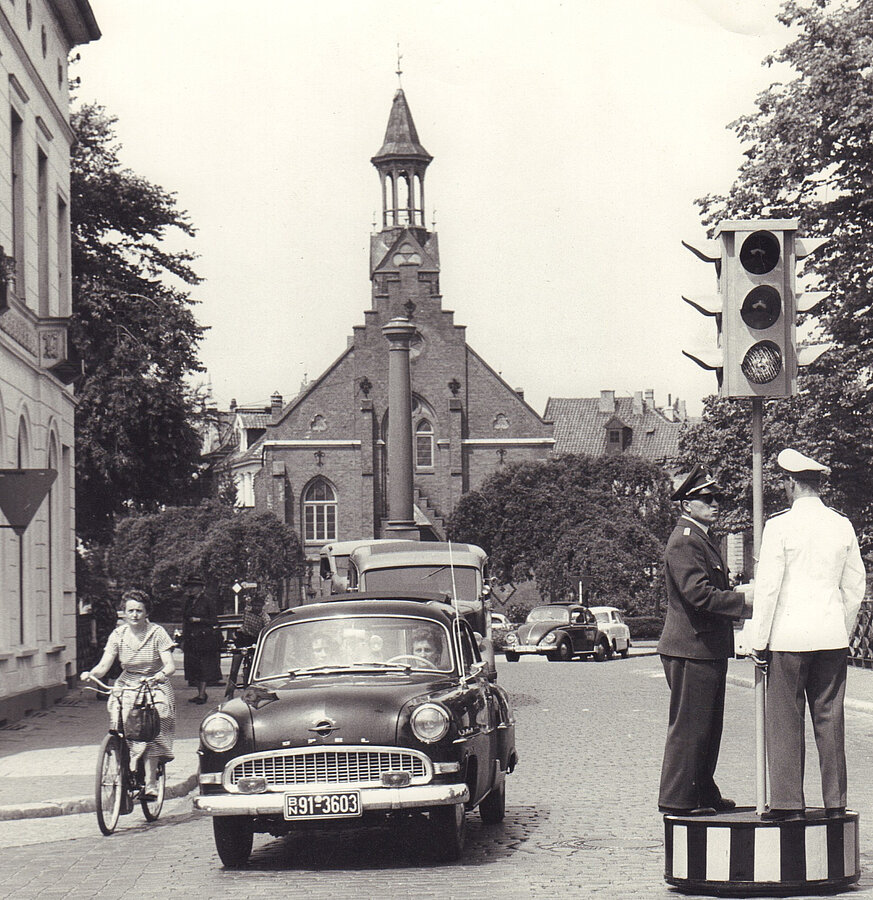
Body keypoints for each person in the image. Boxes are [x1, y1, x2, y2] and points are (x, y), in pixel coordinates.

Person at [749, 448, 865, 821]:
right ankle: (835, 802)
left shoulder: (779, 526)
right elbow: (855, 587)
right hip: (831, 637)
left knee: (785, 720)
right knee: (830, 719)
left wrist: (758, 640)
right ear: (818, 485)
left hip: (788, 639)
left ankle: (787, 804)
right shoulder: (841, 524)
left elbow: (768, 588)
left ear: (791, 484)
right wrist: (841, 628)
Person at [658, 464, 753, 816]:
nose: (716, 504)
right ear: (687, 504)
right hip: (691, 648)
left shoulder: (699, 539)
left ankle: (702, 791)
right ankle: (679, 800)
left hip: (703, 647)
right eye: (707, 498)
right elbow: (699, 595)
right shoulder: (684, 542)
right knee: (691, 726)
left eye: (718, 498)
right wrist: (744, 602)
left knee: (708, 726)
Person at [81, 589, 176, 799]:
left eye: (139, 611)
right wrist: (91, 673)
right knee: (119, 722)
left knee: (152, 724)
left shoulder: (157, 633)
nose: (134, 615)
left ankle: (150, 783)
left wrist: (160, 675)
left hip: (153, 682)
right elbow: (105, 664)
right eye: (130, 610)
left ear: (146, 612)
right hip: (128, 681)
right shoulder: (118, 634)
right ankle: (122, 771)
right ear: (123, 613)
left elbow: (169, 665)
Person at [181, 573, 221, 704]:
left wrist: (199, 620)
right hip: (191, 639)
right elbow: (185, 620)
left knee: (203, 667)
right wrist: (182, 638)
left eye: (194, 586)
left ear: (201, 588)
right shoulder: (188, 602)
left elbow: (214, 620)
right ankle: (200, 693)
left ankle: (202, 694)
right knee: (193, 667)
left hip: (204, 639)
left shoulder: (208, 601)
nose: (191, 589)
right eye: (189, 587)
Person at [224, 592, 272, 698]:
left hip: (256, 640)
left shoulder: (265, 618)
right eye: (254, 605)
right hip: (243, 638)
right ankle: (230, 690)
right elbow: (243, 624)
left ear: (262, 606)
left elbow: (266, 630)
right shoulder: (247, 612)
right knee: (234, 667)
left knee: (256, 665)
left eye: (259, 606)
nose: (256, 608)